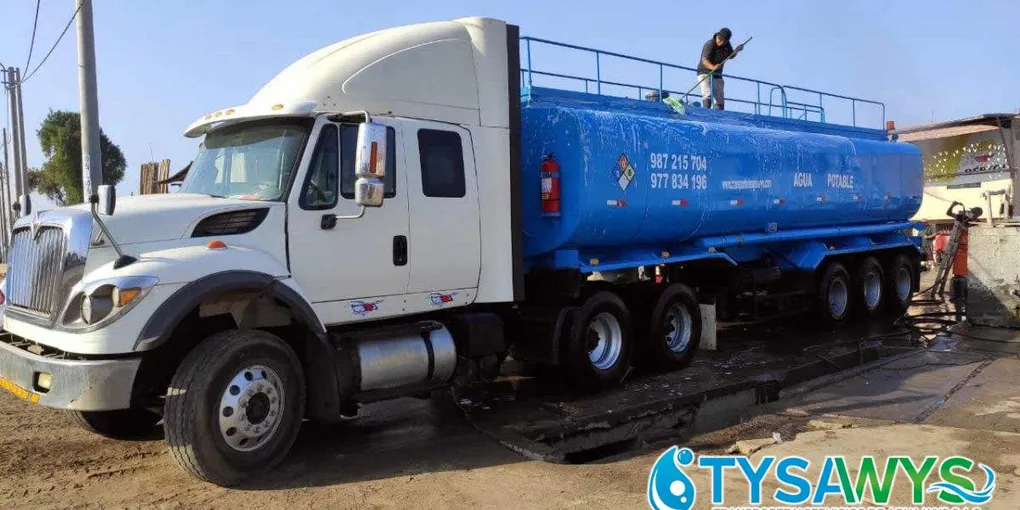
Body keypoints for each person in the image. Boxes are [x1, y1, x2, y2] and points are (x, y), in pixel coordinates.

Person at [697, 28, 744, 110]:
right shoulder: (709, 44)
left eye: (724, 41)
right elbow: (704, 61)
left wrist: (736, 51)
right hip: (704, 71)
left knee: (720, 98)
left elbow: (730, 56)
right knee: (707, 93)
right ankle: (705, 113)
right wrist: (713, 67)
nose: (721, 42)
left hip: (717, 74)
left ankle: (719, 116)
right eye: (720, 39)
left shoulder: (727, 45)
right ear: (717, 36)